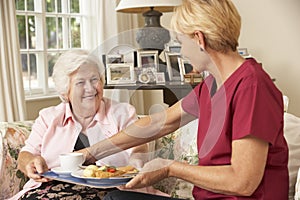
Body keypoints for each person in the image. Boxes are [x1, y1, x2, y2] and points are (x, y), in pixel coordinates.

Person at [80, 0, 289, 199]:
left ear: (199, 39)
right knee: (117, 198)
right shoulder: (212, 85)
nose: (181, 52)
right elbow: (160, 123)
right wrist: (91, 153)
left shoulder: (252, 86)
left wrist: (170, 168)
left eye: (180, 42)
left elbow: (243, 182)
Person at [10, 49, 150, 200]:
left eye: (94, 79)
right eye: (80, 82)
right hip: (49, 189)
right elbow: (25, 155)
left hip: (109, 190)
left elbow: (139, 147)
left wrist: (136, 163)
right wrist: (30, 163)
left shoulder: (122, 113)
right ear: (65, 91)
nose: (90, 89)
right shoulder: (49, 117)